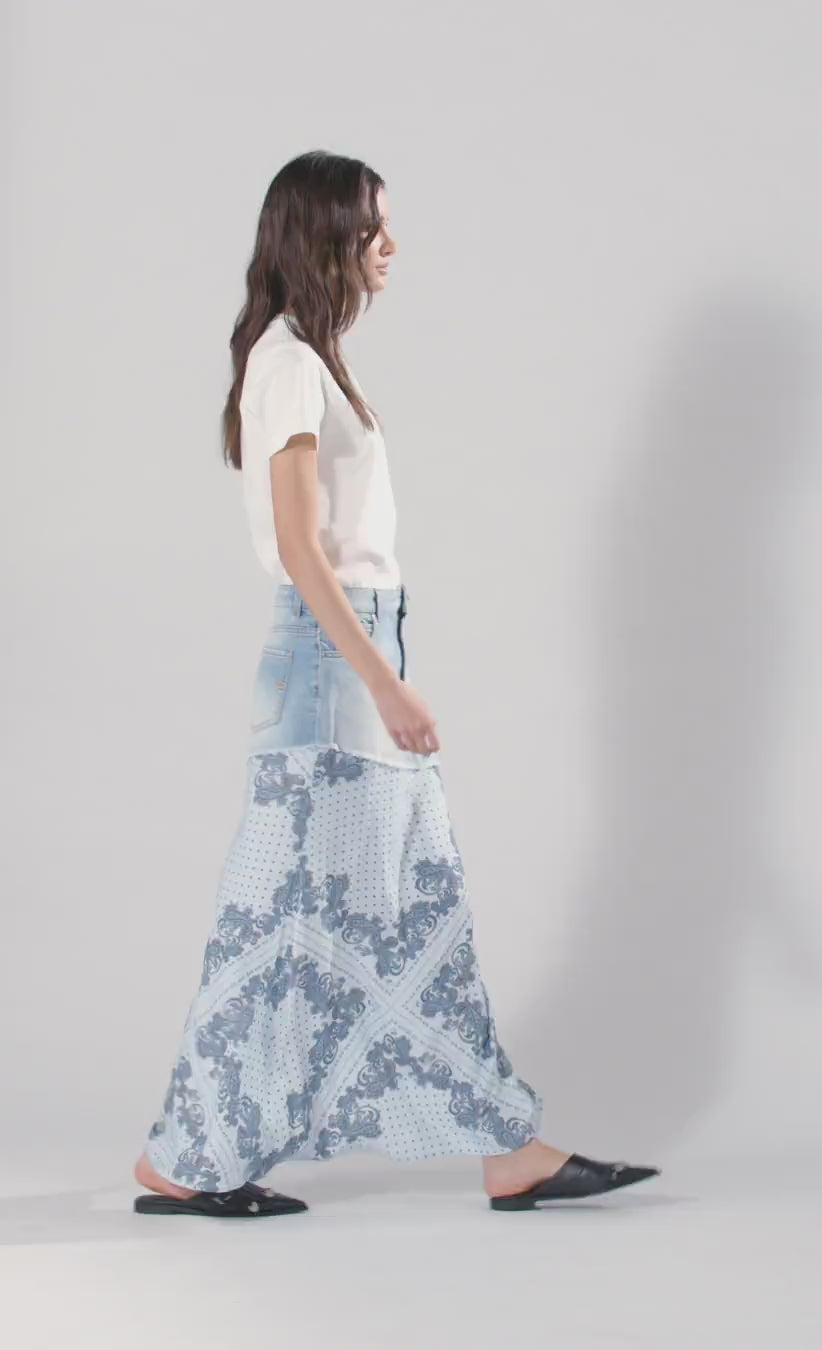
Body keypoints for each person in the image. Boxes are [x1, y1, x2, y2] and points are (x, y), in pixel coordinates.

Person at [131, 150, 660, 1218]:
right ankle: (185, 1158)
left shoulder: (309, 360)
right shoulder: (288, 363)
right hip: (336, 664)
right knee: (293, 917)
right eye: (372, 228)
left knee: (397, 909)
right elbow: (301, 548)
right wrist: (386, 685)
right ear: (323, 237)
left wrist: (383, 671)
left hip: (350, 654)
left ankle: (503, 1148)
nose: (390, 247)